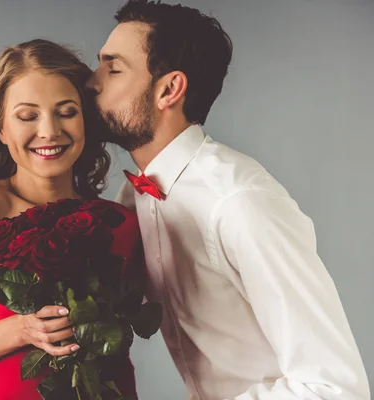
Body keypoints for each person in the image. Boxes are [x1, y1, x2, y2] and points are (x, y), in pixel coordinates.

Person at [86, 1, 370, 399]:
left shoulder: (238, 202)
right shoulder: (134, 196)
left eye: (113, 69)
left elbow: (335, 389)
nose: (91, 82)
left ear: (169, 89)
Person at [0, 39, 139, 400]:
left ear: (86, 120)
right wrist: (23, 330)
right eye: (27, 116)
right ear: (0, 128)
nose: (49, 131)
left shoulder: (122, 221)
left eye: (66, 112)